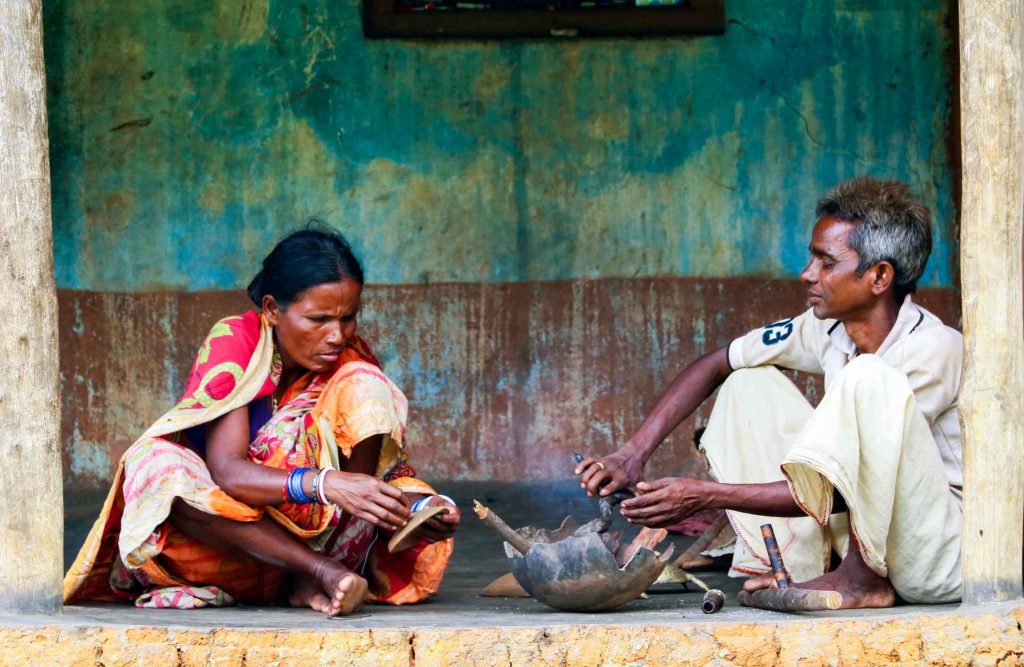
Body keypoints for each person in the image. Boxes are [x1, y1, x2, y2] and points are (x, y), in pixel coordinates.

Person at [576, 177, 962, 608]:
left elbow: (847, 488)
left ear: (879, 276)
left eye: (826, 263)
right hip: (872, 536)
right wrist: (632, 455)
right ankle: (797, 566)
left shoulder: (931, 348)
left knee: (867, 377)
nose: (807, 274)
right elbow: (717, 363)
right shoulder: (828, 326)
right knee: (747, 379)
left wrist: (705, 496)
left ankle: (859, 582)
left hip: (933, 556)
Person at [64, 228, 460, 616]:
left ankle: (311, 576)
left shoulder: (351, 366)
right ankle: (313, 573)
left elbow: (373, 485)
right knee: (154, 463)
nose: (336, 335)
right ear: (272, 309)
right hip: (233, 553)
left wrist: (423, 506)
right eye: (318, 319)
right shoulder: (238, 342)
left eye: (348, 318)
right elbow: (229, 472)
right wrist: (326, 484)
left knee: (367, 382)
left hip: (332, 545)